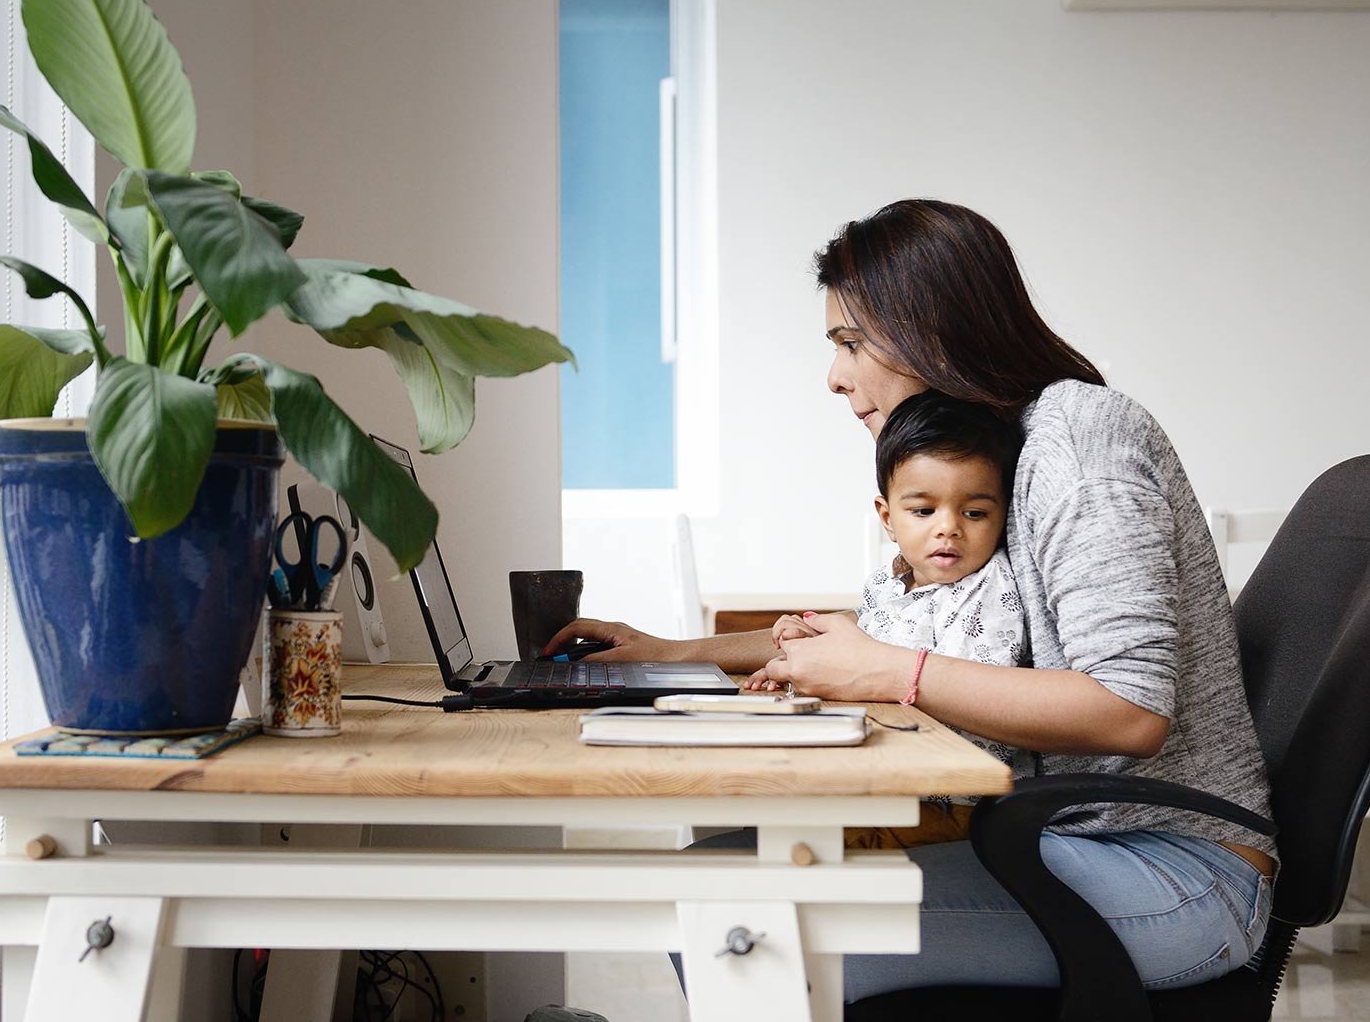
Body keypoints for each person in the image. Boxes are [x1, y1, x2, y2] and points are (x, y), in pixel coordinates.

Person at [547, 198, 1276, 997]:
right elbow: (901, 628)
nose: (834, 376)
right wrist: (671, 652)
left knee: (738, 923)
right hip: (1061, 840)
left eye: (850, 342)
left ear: (934, 328)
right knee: (707, 881)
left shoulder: (1078, 441)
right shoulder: (1004, 447)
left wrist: (891, 672)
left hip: (1172, 871)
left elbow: (1129, 712)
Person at [777, 389, 1026, 850]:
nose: (948, 527)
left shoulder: (993, 592)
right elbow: (852, 662)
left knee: (809, 842)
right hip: (882, 776)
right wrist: (801, 653)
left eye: (975, 512)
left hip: (949, 802)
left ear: (1002, 516)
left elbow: (975, 698)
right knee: (777, 811)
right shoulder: (888, 585)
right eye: (924, 511)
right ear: (888, 519)